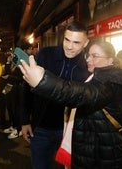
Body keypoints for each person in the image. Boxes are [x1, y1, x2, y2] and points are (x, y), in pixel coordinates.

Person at [19, 40, 122, 168]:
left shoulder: (109, 83)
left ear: (110, 60)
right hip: (103, 150)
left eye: (95, 56)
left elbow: (78, 93)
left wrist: (43, 81)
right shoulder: (101, 77)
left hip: (106, 157)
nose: (88, 59)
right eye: (88, 55)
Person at [20, 21, 90, 169]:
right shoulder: (45, 54)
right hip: (41, 128)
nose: (69, 46)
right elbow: (27, 89)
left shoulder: (87, 66)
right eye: (67, 40)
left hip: (69, 132)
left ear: (85, 43)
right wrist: (25, 120)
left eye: (76, 42)